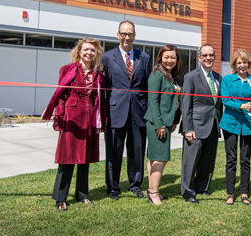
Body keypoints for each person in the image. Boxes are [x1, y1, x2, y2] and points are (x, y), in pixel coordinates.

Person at [42, 38, 107, 211]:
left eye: (92, 50)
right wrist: (59, 116)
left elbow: (100, 99)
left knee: (84, 158)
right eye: (86, 50)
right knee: (67, 158)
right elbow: (60, 95)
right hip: (71, 119)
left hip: (89, 119)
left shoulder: (98, 73)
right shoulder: (67, 69)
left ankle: (82, 194)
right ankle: (60, 197)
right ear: (79, 51)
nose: (89, 53)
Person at [102, 20, 151, 200]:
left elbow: (147, 87)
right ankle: (113, 187)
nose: (127, 37)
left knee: (137, 150)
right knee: (113, 150)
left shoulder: (143, 58)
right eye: (123, 34)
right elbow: (104, 87)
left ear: (135, 36)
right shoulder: (107, 57)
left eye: (130, 34)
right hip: (115, 111)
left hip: (138, 112)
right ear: (118, 35)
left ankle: (135, 184)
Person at [180, 44, 223, 204]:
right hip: (196, 126)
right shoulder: (190, 77)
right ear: (199, 58)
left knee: (207, 161)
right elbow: (186, 104)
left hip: (212, 125)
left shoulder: (218, 78)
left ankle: (202, 188)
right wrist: (188, 128)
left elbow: (218, 104)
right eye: (204, 55)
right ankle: (188, 192)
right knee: (190, 161)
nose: (208, 58)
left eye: (211, 55)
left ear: (214, 57)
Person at [143, 44, 182, 205]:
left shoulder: (172, 75)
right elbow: (153, 100)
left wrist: (173, 121)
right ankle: (154, 193)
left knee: (154, 158)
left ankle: (150, 190)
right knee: (160, 158)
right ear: (160, 57)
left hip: (165, 121)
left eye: (173, 57)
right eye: (166, 57)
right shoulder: (156, 75)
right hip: (156, 122)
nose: (169, 60)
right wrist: (159, 124)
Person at [219, 49, 251, 205]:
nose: (242, 65)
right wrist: (241, 105)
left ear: (248, 64)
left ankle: (244, 193)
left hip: (248, 124)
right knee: (231, 159)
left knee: (245, 159)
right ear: (234, 64)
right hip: (230, 123)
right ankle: (230, 193)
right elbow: (226, 100)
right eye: (239, 62)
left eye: (244, 62)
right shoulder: (227, 80)